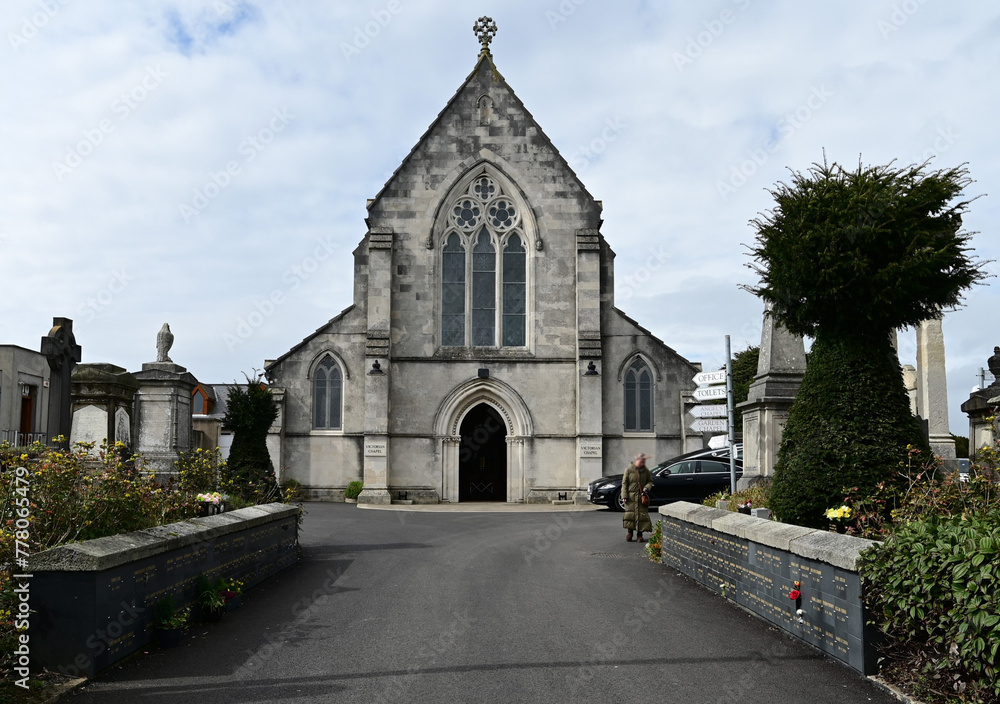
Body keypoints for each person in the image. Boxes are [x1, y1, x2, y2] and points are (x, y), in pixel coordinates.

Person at [622, 452, 653, 542]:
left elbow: (650, 481)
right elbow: (624, 483)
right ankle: (630, 532)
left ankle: (640, 534)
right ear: (637, 460)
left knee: (641, 516)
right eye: (641, 462)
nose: (642, 464)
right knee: (630, 515)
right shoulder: (628, 470)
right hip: (631, 497)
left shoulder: (646, 471)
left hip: (641, 496)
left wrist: (647, 487)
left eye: (644, 462)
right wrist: (624, 495)